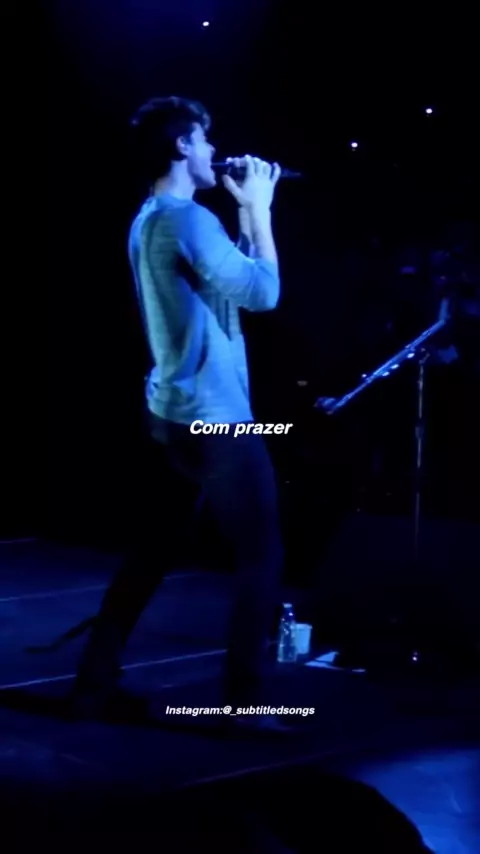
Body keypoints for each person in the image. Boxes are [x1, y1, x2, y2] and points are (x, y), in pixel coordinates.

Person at [70, 96, 286, 730]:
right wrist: (261, 210)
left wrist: (243, 216)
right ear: (182, 147)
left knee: (152, 553)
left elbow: (230, 285)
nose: (215, 151)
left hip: (170, 412)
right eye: (204, 140)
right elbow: (264, 293)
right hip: (216, 418)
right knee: (262, 556)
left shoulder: (153, 217)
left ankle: (92, 687)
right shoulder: (189, 220)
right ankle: (246, 705)